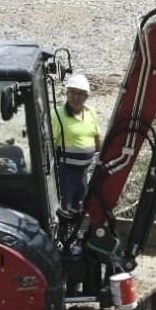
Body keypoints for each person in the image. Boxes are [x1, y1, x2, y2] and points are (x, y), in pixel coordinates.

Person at [51, 73, 102, 212]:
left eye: (80, 93)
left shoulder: (91, 113)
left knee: (80, 206)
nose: (76, 97)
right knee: (65, 208)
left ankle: (76, 230)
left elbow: (97, 136)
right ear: (67, 93)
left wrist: (99, 157)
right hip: (65, 172)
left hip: (84, 171)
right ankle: (64, 232)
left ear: (86, 96)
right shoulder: (57, 115)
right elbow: (50, 144)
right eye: (72, 92)